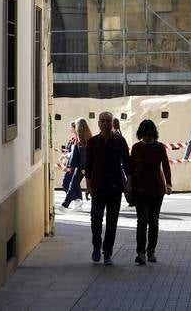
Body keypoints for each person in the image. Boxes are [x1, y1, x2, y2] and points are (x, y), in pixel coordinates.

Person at [85, 110, 131, 265]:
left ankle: (108, 252)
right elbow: (88, 166)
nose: (105, 123)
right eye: (102, 120)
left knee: (112, 221)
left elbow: (127, 163)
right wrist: (88, 186)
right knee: (95, 220)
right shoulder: (92, 142)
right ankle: (96, 246)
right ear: (98, 123)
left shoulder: (120, 141)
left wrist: (129, 183)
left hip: (115, 187)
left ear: (112, 123)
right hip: (97, 187)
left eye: (107, 121)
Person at [128, 119, 172, 265]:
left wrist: (169, 184)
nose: (148, 137)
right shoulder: (136, 148)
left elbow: (165, 165)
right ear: (141, 134)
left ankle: (151, 251)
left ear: (154, 134)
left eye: (151, 135)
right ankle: (140, 253)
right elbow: (130, 169)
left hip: (157, 190)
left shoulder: (159, 147)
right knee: (142, 221)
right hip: (140, 190)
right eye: (146, 135)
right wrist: (129, 187)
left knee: (153, 222)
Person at [61, 118, 92, 210]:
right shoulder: (85, 139)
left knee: (71, 185)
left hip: (80, 167)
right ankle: (70, 204)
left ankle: (65, 206)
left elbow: (83, 155)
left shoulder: (81, 141)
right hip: (78, 167)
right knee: (72, 185)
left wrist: (83, 167)